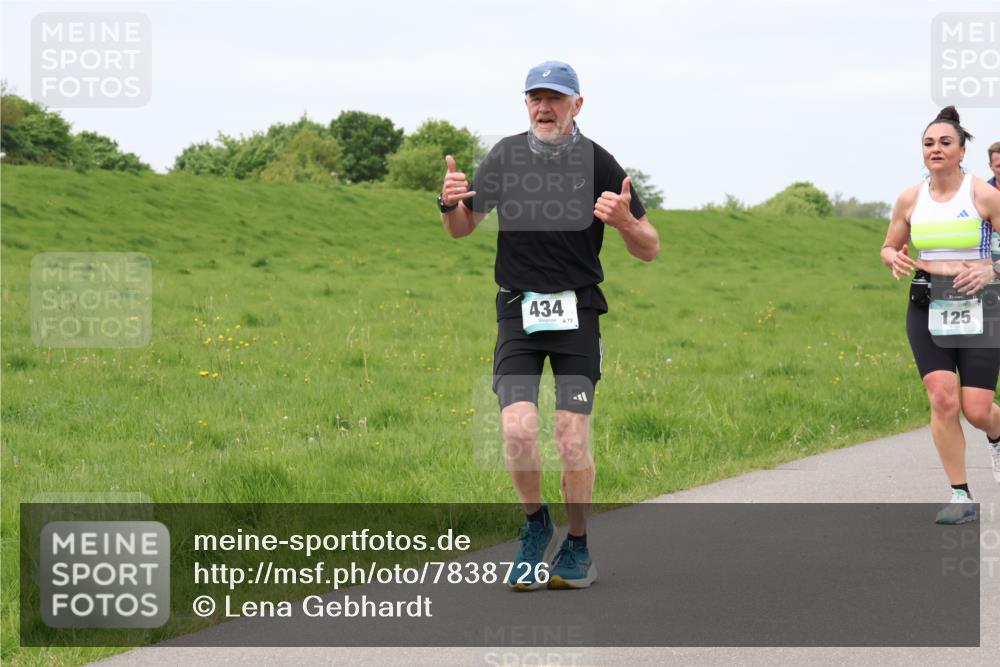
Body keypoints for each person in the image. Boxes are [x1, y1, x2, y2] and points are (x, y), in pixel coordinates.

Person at [437, 61, 659, 589]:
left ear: (576, 106)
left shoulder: (600, 163)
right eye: (535, 97)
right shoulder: (506, 157)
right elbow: (463, 228)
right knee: (516, 428)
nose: (544, 107)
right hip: (518, 312)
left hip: (577, 315)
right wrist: (448, 203)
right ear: (526, 104)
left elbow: (649, 247)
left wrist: (626, 222)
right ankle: (536, 526)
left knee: (571, 437)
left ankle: (578, 545)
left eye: (555, 98)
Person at [881, 107, 1000, 524]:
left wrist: (992, 268)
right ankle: (960, 494)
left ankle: (997, 434)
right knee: (943, 397)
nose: (936, 149)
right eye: (929, 143)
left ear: (962, 150)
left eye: (945, 142)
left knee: (977, 409)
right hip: (927, 302)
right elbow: (890, 244)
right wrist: (892, 256)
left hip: (980, 304)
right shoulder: (910, 198)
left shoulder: (982, 195)